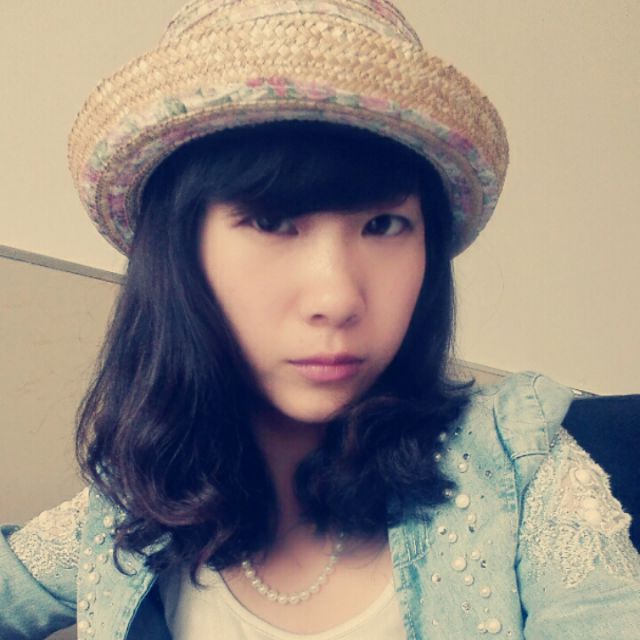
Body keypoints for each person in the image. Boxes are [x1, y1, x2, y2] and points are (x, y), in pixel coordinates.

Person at [1, 1, 639, 638]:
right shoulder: (132, 504)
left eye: (383, 224)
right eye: (273, 221)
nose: (337, 298)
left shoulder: (521, 469)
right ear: (180, 251)